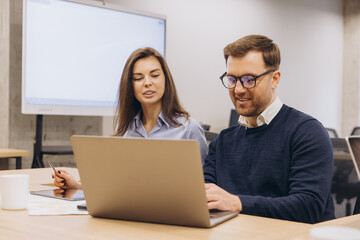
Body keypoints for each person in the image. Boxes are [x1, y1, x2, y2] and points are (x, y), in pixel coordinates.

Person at [203, 35, 335, 224]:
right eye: (232, 79)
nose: (238, 89)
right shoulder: (223, 141)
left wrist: (238, 203)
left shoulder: (307, 132)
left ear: (275, 79)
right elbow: (205, 196)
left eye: (249, 79)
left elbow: (308, 206)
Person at [53, 47, 207, 190]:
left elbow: (204, 190)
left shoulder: (189, 129)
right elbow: (115, 185)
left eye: (154, 75)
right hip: (130, 212)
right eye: (138, 78)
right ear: (130, 86)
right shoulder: (126, 131)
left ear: (166, 80)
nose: (147, 83)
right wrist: (76, 185)